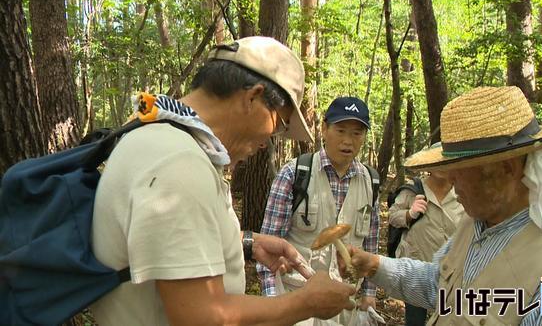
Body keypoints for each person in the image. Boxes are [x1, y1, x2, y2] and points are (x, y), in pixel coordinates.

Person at [90, 36, 356, 325]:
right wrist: (306, 302)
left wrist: (245, 244)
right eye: (278, 125)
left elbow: (160, 245)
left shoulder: (153, 138)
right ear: (253, 97)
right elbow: (203, 317)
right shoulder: (179, 164)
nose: (268, 141)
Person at [342, 86, 542, 325]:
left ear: (506, 168)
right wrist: (375, 265)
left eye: (459, 171)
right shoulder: (477, 221)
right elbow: (440, 285)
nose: (451, 182)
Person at [257, 96, 380, 325]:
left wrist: (369, 294)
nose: (348, 141)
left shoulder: (370, 182)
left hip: (346, 307)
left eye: (356, 133)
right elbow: (268, 246)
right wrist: (272, 304)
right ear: (324, 129)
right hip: (298, 306)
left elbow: (371, 245)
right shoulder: (295, 174)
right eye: (341, 130)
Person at [388, 164, 465, 325]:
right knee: (415, 319)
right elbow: (393, 217)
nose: (443, 167)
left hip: (451, 271)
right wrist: (409, 214)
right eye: (437, 162)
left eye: (447, 162)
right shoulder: (413, 190)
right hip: (417, 267)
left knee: (449, 318)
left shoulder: (462, 189)